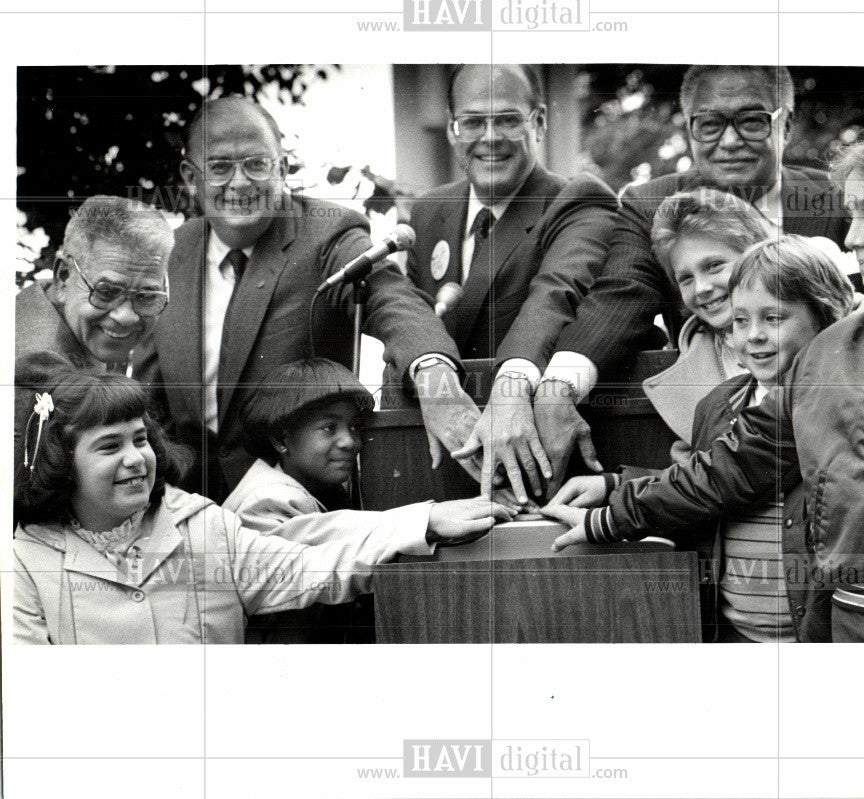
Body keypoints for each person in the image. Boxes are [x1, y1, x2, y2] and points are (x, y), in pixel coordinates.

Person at [543, 128, 864, 643]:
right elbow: (734, 464)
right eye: (852, 215)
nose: (852, 237)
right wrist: (614, 512)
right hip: (852, 626)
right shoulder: (835, 350)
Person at [499, 65, 853, 496]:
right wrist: (558, 389)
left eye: (752, 120)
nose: (729, 140)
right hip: (720, 452)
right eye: (710, 124)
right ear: (689, 129)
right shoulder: (650, 204)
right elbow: (620, 296)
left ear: (786, 124)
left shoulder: (839, 198)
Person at [12, 353, 509, 645]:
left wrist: (421, 525)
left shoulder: (202, 526)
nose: (136, 458)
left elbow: (315, 571)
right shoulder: (24, 561)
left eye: (140, 439)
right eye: (108, 446)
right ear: (62, 462)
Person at [134, 95, 487, 502]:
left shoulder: (327, 235)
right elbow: (149, 401)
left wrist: (435, 376)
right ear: (190, 175)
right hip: (188, 511)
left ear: (282, 167)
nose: (240, 183)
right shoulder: (169, 255)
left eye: (256, 164)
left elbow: (394, 301)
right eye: (218, 168)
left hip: (300, 516)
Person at [546, 236, 855, 642]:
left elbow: (727, 475)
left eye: (774, 319)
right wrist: (616, 484)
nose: (754, 335)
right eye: (741, 320)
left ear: (826, 320)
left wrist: (611, 518)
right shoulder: (720, 403)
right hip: (733, 633)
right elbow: (700, 485)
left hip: (812, 637)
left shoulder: (829, 398)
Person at [403, 64, 618, 505]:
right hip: (444, 470)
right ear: (451, 128)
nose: (490, 137)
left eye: (506, 119)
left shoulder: (576, 200)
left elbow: (554, 295)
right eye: (473, 121)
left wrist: (512, 382)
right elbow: (410, 318)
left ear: (538, 122)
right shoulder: (429, 212)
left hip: (547, 473)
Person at [223, 357, 514, 643]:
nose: (350, 442)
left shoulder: (309, 481)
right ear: (280, 440)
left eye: (354, 427)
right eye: (329, 428)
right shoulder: (262, 500)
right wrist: (428, 519)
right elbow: (323, 547)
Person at [14, 195, 172, 468]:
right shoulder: (36, 366)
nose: (126, 316)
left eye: (147, 295)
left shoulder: (68, 317)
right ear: (64, 276)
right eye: (107, 292)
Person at [639, 189, 776, 464]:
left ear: (758, 255)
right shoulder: (696, 357)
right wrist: (612, 483)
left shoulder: (807, 329)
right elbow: (692, 477)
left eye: (714, 266)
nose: (701, 288)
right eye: (686, 278)